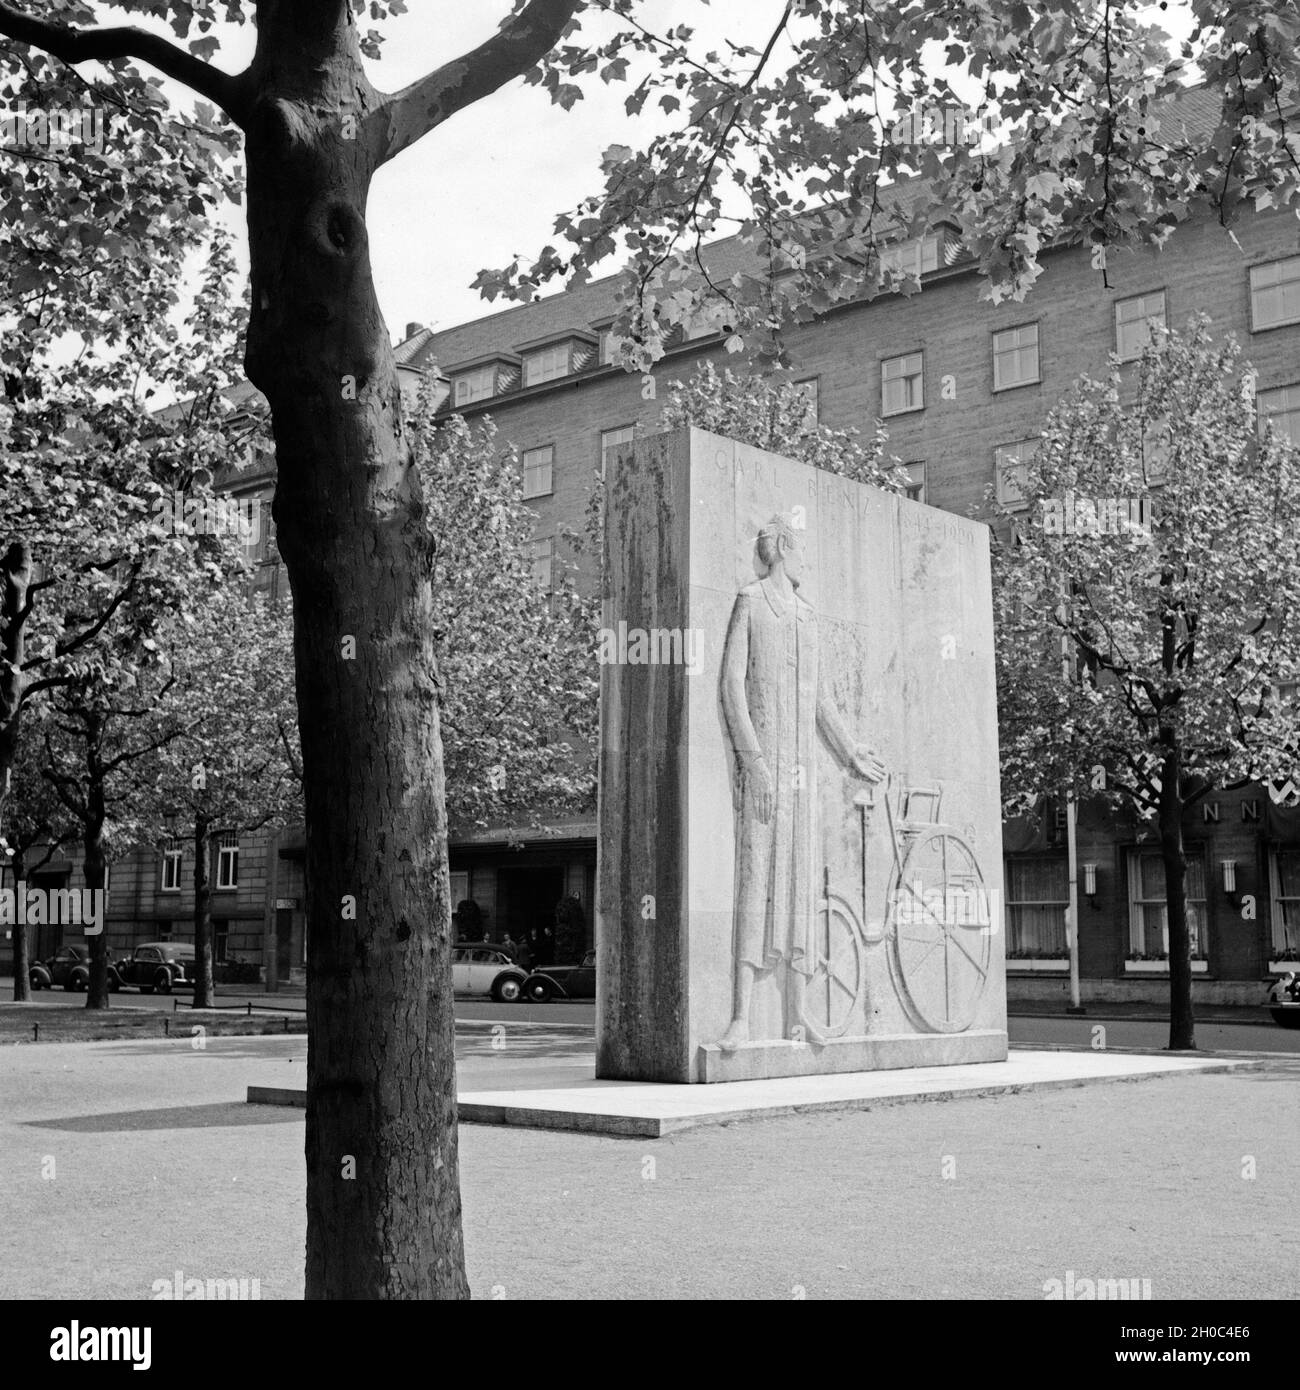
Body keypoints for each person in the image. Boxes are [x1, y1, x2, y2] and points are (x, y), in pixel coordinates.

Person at [716, 515, 884, 1049]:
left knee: (799, 886)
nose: (809, 562)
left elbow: (818, 700)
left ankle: (796, 1013)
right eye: (804, 551)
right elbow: (730, 687)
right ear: (784, 549)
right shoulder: (749, 601)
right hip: (765, 770)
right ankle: (742, 1016)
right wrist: (753, 760)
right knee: (756, 880)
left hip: (802, 776)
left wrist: (851, 750)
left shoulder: (808, 619)